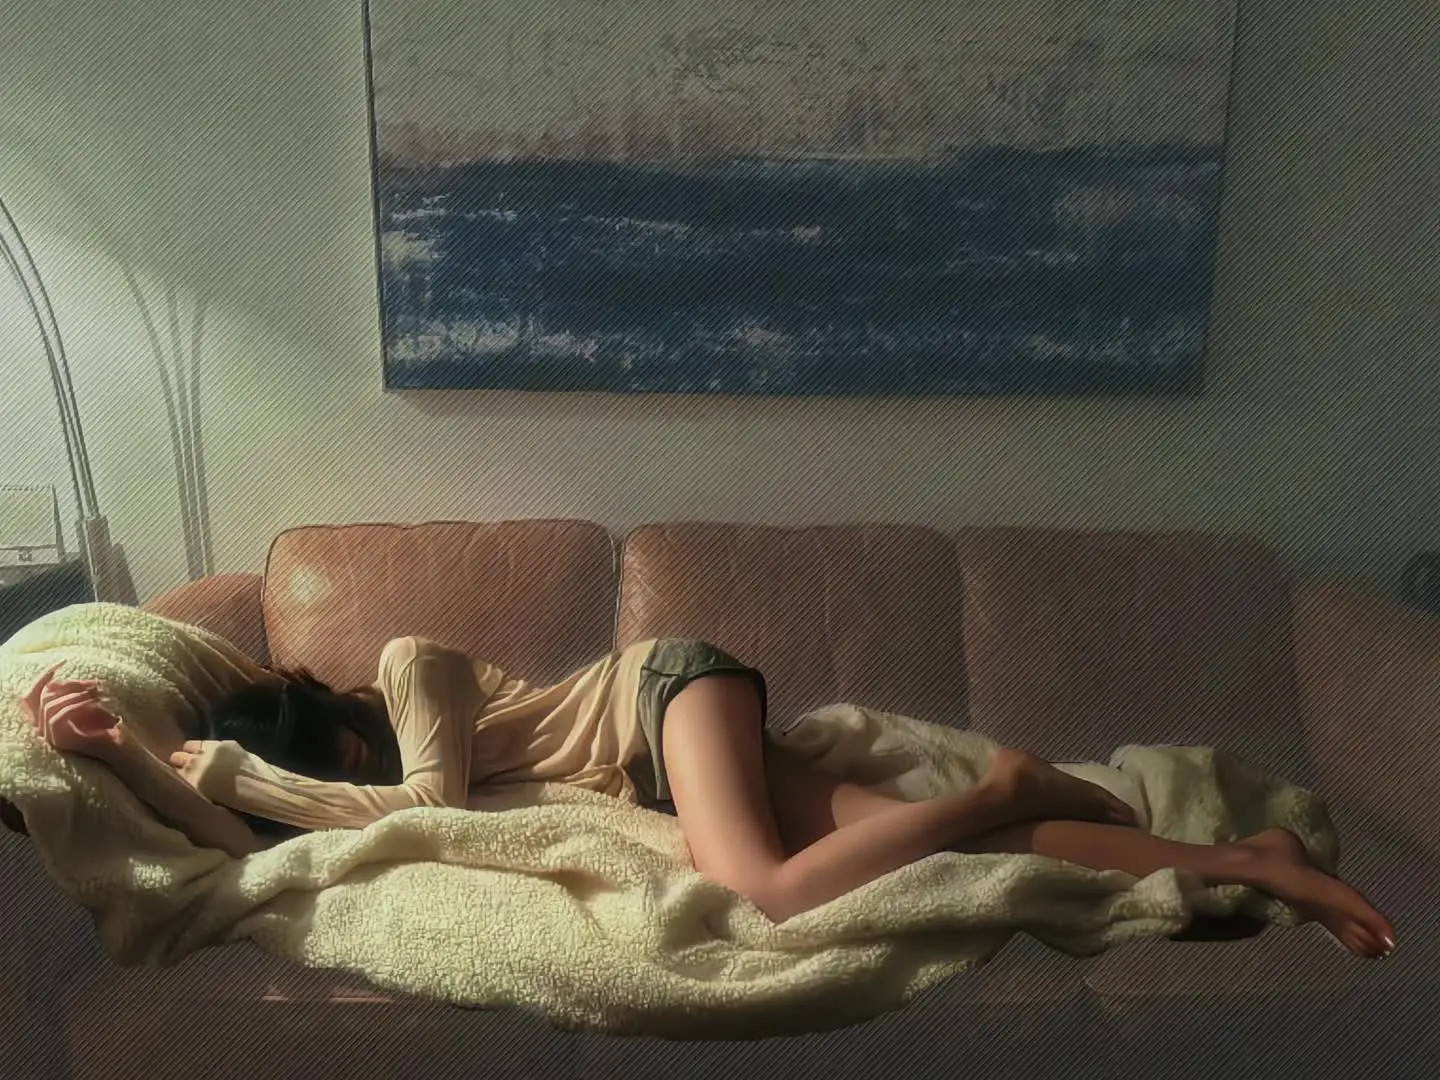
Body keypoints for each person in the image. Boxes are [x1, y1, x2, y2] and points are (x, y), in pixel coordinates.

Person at [20, 635, 1397, 959]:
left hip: (665, 695)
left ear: (331, 726)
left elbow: (424, 799)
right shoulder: (313, 783)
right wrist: (131, 759)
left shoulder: (408, 668)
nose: (341, 787)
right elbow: (235, 846)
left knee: (765, 891)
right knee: (916, 846)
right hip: (662, 767)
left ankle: (1004, 786)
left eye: (326, 766)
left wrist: (242, 774)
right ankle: (1254, 859)